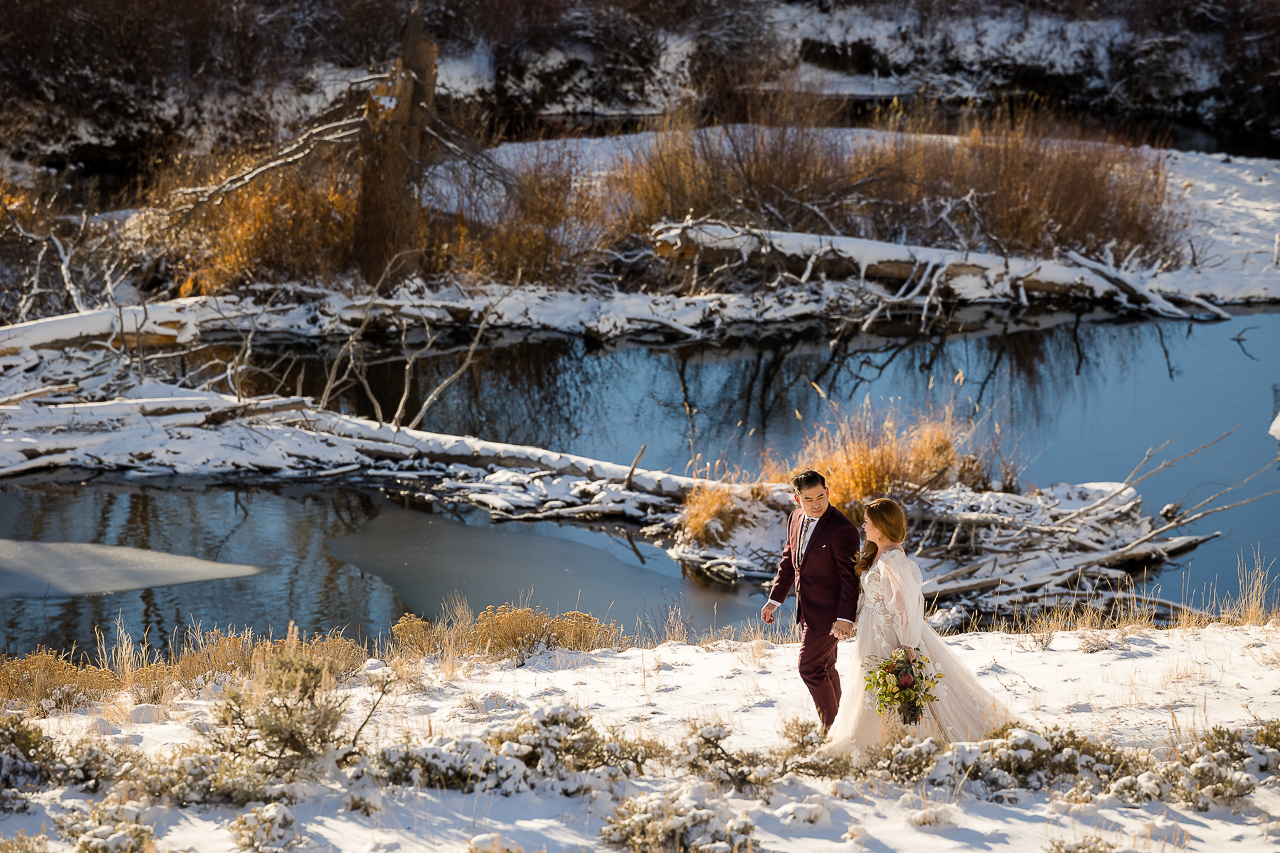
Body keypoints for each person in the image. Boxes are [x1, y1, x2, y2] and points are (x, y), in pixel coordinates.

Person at [821, 497, 1018, 762]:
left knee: (894, 690)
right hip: (870, 633)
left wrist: (906, 646)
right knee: (871, 689)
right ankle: (871, 742)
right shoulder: (877, 553)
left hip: (891, 637)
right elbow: (871, 599)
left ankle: (899, 745)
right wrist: (850, 622)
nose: (864, 526)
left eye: (867, 522)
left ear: (881, 526)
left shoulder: (893, 559)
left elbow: (904, 607)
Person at [761, 469, 861, 732]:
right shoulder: (795, 519)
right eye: (809, 499)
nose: (816, 503)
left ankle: (830, 730)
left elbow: (851, 578)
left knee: (810, 668)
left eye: (820, 496)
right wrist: (775, 599)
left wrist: (845, 619)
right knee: (826, 667)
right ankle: (842, 727)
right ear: (797, 500)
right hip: (805, 609)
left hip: (830, 615)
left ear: (827, 492)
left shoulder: (843, 529)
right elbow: (789, 562)